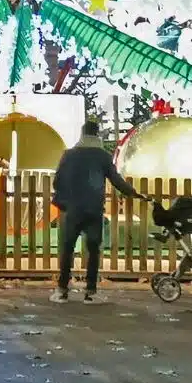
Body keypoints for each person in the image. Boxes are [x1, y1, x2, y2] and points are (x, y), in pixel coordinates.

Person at [50, 119, 141, 303]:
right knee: (93, 250)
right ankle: (90, 292)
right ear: (97, 134)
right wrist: (132, 192)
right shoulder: (103, 156)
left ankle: (62, 291)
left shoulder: (69, 155)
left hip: (73, 209)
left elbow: (57, 181)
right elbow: (116, 180)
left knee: (67, 249)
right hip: (93, 209)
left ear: (82, 134)